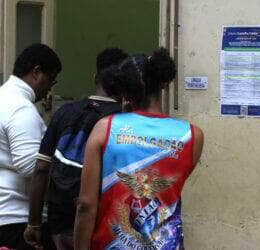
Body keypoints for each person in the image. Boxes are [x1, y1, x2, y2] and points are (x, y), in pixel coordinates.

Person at [74, 48, 204, 250]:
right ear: (163, 84)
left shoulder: (105, 129)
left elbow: (85, 205)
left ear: (124, 92)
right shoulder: (192, 136)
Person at [23, 48, 129, 249]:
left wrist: (34, 223)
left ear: (95, 77)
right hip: (103, 223)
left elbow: (41, 169)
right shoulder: (123, 122)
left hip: (59, 223)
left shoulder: (64, 113)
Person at [0, 43, 62, 249]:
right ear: (36, 72)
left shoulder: (3, 98)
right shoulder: (20, 108)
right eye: (50, 81)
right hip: (18, 219)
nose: (48, 91)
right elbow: (31, 166)